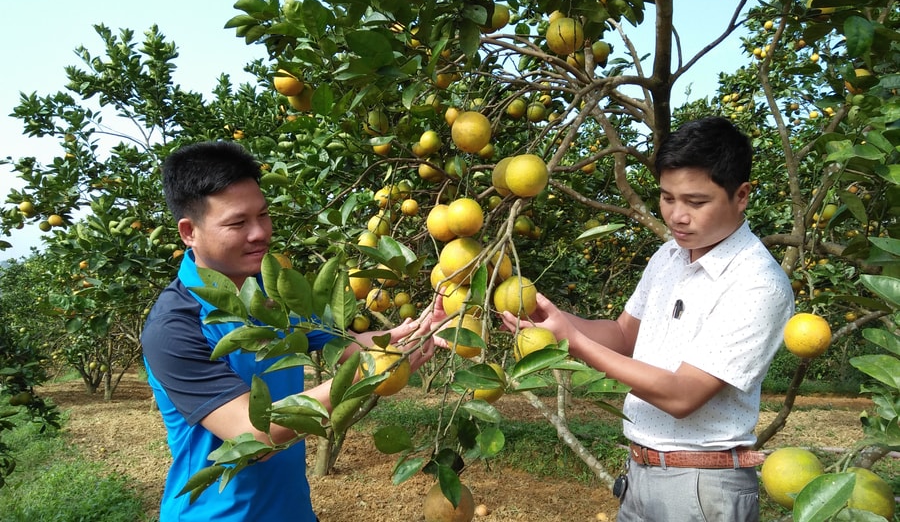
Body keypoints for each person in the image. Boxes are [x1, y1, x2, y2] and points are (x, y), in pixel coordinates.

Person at [500, 117, 794, 521]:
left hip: (699, 489)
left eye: (695, 202)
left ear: (740, 196)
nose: (677, 216)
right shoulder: (669, 256)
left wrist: (575, 341)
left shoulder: (758, 284)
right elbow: (623, 335)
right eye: (667, 198)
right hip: (641, 474)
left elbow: (683, 395)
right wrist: (553, 318)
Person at [141, 141, 437, 521]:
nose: (260, 233)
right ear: (189, 232)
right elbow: (254, 433)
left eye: (263, 215)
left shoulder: (270, 292)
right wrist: (368, 372)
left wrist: (416, 331)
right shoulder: (174, 326)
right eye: (237, 223)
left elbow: (345, 346)